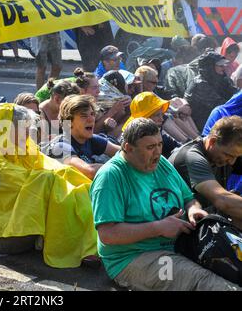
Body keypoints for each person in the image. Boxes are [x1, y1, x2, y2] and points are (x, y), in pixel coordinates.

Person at [91, 118, 239, 291]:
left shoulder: (160, 163)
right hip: (133, 258)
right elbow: (107, 235)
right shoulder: (111, 176)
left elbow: (189, 198)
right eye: (150, 147)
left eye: (160, 145)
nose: (157, 152)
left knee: (233, 267)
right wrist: (159, 228)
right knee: (211, 284)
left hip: (179, 246)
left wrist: (194, 210)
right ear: (128, 148)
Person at [0, 103, 98, 268]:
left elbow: (48, 165)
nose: (27, 131)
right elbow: (31, 183)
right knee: (52, 186)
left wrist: (68, 176)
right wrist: (54, 178)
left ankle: (85, 247)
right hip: (3, 234)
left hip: (22, 224)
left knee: (75, 187)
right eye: (21, 127)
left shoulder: (24, 148)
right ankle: (73, 248)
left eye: (27, 126)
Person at [169, 116, 242, 230]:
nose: (231, 161)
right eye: (228, 155)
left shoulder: (225, 151)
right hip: (181, 228)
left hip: (206, 221)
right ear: (212, 141)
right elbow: (223, 201)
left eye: (236, 157)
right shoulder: (192, 157)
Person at [43, 95, 119, 179]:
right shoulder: (60, 146)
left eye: (92, 114)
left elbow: (125, 153)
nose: (91, 119)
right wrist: (121, 169)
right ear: (69, 122)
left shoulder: (91, 139)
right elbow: (89, 171)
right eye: (84, 116)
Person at [184, 50, 239, 131]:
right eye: (220, 65)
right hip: (203, 123)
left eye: (224, 64)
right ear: (210, 66)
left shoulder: (221, 78)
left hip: (218, 119)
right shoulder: (200, 83)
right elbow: (220, 105)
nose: (224, 67)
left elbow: (235, 93)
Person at [122, 92, 181, 158]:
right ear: (144, 118)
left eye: (162, 115)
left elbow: (174, 145)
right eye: (157, 115)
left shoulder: (157, 131)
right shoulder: (135, 139)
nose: (161, 119)